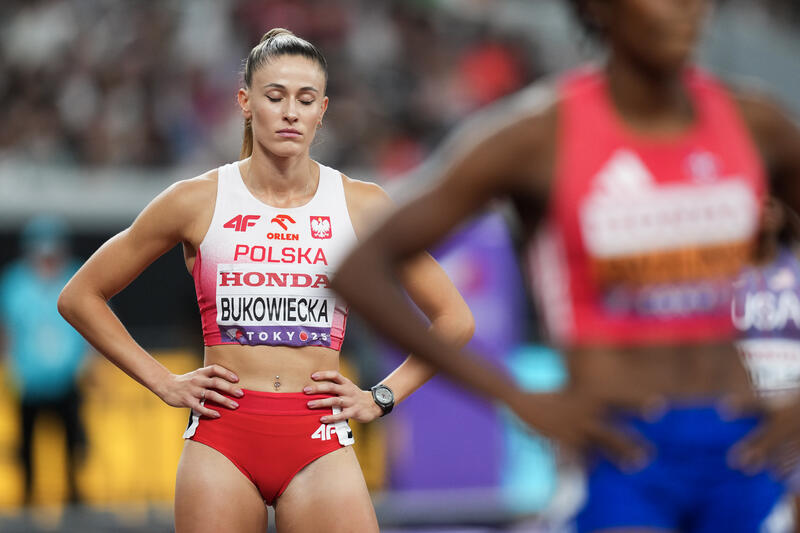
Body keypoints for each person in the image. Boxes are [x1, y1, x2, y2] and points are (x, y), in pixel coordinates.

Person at [332, 1, 800, 531]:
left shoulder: (757, 124)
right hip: (619, 448)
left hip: (741, 442)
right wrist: (515, 398)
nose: (686, 9)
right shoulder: (537, 137)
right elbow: (361, 270)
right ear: (597, 8)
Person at [57, 28, 473, 533]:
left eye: (305, 99)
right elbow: (79, 296)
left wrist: (381, 396)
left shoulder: (360, 204)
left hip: (318, 436)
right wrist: (162, 380)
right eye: (275, 97)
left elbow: (454, 319)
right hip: (222, 440)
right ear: (246, 102)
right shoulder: (197, 200)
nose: (290, 112)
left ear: (323, 109)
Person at [0, 215, 89, 505]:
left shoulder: (76, 277)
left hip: (67, 378)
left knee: (73, 439)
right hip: (29, 378)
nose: (47, 261)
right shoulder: (15, 283)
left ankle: (74, 493)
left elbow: (93, 322)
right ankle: (28, 495)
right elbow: (7, 328)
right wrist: (9, 364)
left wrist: (90, 360)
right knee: (26, 442)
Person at [733, 196, 800, 532]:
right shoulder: (717, 278)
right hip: (738, 419)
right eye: (757, 195)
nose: (767, 205)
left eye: (775, 197)